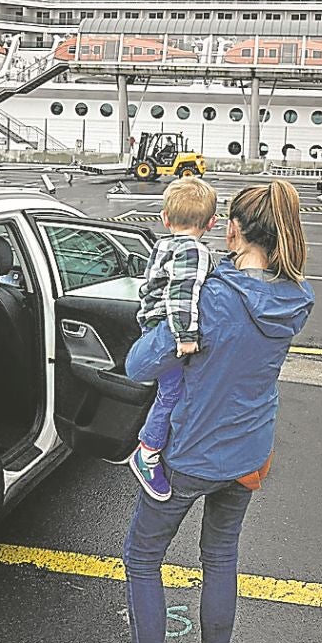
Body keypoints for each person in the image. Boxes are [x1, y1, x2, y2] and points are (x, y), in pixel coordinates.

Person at [76, 180, 313, 643]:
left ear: (231, 230)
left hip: (189, 454)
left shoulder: (207, 294)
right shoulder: (296, 296)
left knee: (142, 558)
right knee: (221, 555)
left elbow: (139, 363)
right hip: (250, 450)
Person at [125, 176, 219, 501]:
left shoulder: (162, 244)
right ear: (212, 222)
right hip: (169, 331)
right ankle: (148, 452)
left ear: (165, 219)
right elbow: (182, 295)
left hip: (152, 327)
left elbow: (150, 288)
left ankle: (161, 444)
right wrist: (186, 337)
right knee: (171, 394)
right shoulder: (195, 250)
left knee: (172, 391)